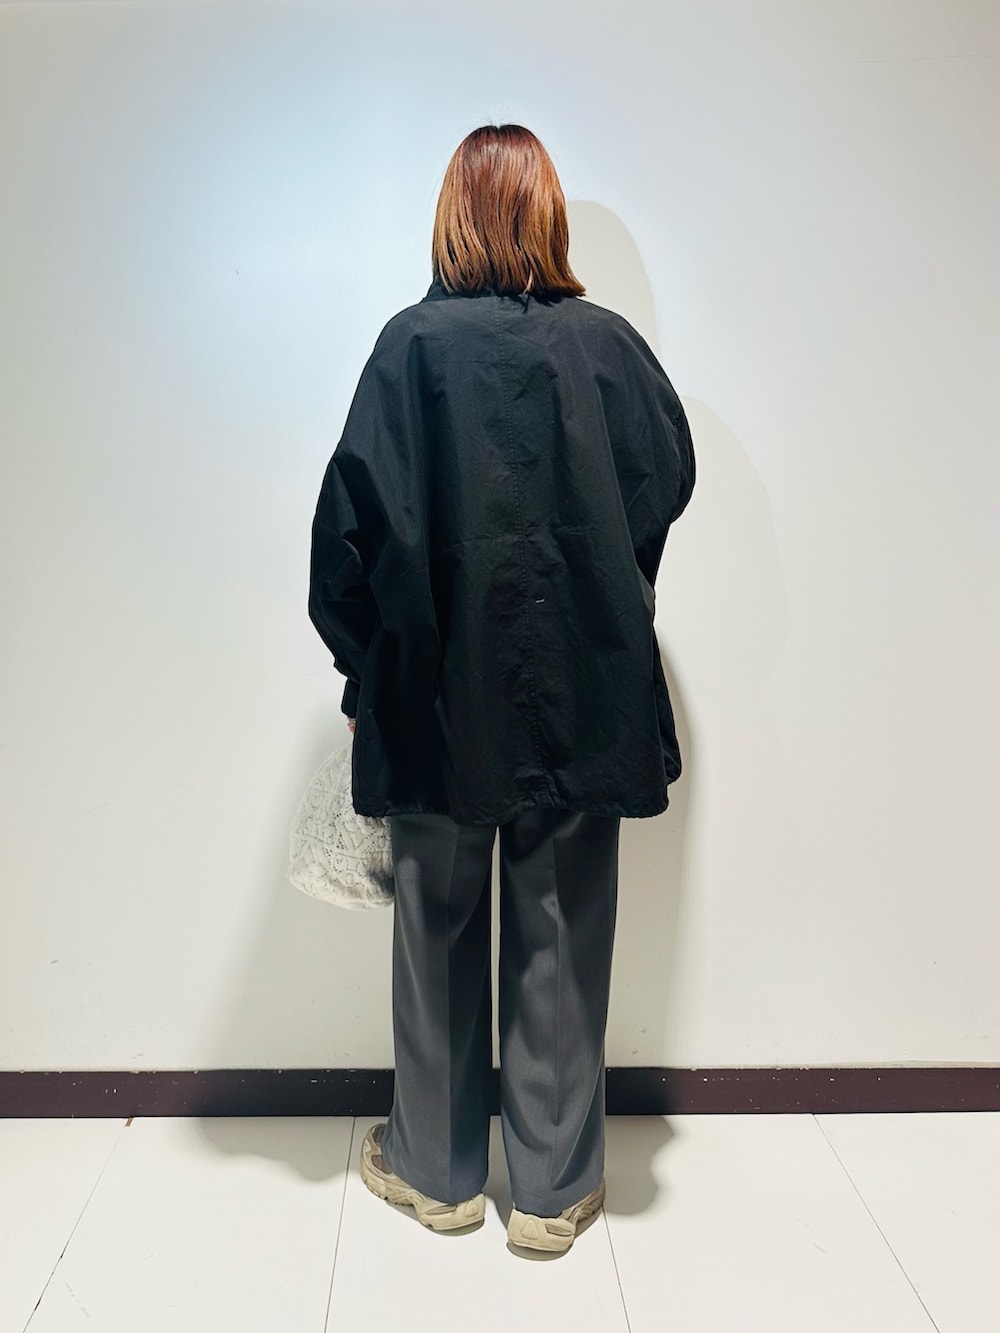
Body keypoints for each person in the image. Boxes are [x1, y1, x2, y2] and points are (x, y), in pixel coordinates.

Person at [308, 123, 695, 1254]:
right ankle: (553, 1190)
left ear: (453, 216)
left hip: (433, 692)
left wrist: (363, 664)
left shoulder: (409, 349)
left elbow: (346, 533)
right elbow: (663, 484)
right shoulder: (610, 349)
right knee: (561, 927)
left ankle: (436, 1172)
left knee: (434, 925)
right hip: (580, 688)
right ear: (547, 215)